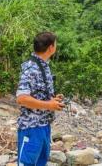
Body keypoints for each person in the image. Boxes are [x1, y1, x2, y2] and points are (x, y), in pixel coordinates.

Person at [16, 32, 65, 166]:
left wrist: (53, 100)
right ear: (50, 48)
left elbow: (38, 94)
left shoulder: (43, 65)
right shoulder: (31, 68)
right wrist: (49, 105)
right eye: (55, 44)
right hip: (32, 127)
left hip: (44, 126)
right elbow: (21, 98)